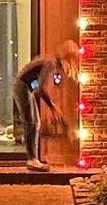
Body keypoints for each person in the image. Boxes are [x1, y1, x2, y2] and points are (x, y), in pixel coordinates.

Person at [13, 39, 81, 170]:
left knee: (34, 122)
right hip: (22, 87)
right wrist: (52, 106)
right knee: (32, 122)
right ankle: (32, 159)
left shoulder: (51, 62)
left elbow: (37, 85)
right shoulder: (50, 63)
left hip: (26, 87)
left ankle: (32, 159)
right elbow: (40, 87)